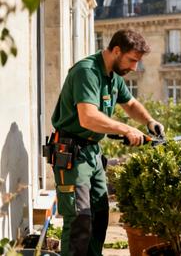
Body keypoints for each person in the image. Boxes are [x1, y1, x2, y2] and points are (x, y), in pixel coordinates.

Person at [46, 29, 163, 256]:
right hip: (71, 153)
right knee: (80, 218)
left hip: (92, 153)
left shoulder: (113, 76)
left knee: (100, 214)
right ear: (116, 50)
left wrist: (149, 121)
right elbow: (88, 117)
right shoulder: (87, 72)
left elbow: (130, 104)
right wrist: (126, 128)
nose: (134, 67)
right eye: (132, 60)